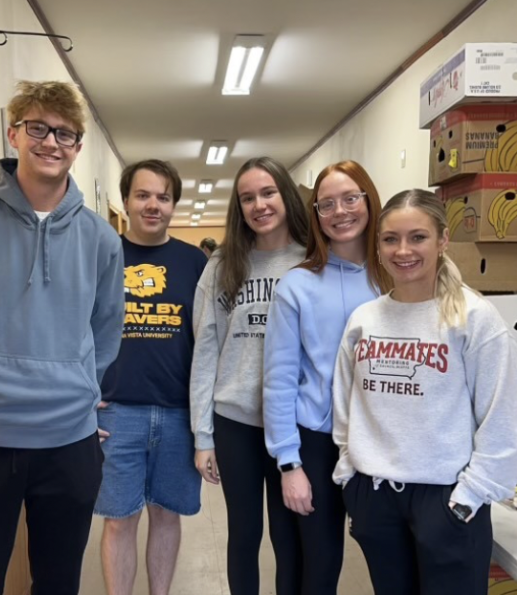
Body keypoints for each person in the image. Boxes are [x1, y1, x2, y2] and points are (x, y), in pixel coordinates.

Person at [0, 80, 124, 595]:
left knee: (58, 581)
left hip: (69, 440)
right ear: (13, 134)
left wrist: (80, 385)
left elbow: (106, 325)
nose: (51, 142)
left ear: (77, 147)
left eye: (65, 133)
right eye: (38, 128)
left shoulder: (100, 237)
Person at [333, 189, 517, 595]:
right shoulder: (365, 318)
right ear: (376, 244)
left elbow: (500, 419)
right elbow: (346, 404)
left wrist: (468, 499)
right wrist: (351, 476)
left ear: (443, 240)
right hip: (376, 497)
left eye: (417, 237)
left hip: (448, 499)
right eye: (390, 239)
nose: (403, 251)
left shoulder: (474, 318)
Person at [263, 160, 392, 594]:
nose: (340, 211)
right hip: (316, 442)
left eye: (351, 198)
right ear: (315, 215)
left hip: (384, 442)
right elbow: (279, 379)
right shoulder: (297, 285)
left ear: (370, 201)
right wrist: (289, 463)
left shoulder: (396, 279)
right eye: (327, 204)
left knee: (391, 563)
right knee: (318, 568)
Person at [190, 156, 309, 595]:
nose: (258, 205)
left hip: (293, 425)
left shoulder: (311, 260)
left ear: (285, 195)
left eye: (267, 193)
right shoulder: (223, 264)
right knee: (243, 535)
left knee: (288, 536)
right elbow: (205, 352)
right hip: (235, 421)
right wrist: (203, 436)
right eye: (247, 198)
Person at [96, 159, 207, 595]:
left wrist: (205, 422)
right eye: (143, 195)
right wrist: (85, 395)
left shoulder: (193, 262)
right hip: (116, 413)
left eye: (163, 196)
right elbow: (78, 329)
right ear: (125, 201)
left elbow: (207, 340)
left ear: (174, 204)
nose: (153, 205)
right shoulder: (104, 256)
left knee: (167, 514)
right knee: (119, 519)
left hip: (179, 413)